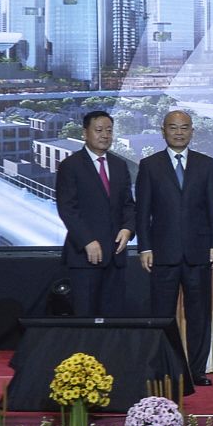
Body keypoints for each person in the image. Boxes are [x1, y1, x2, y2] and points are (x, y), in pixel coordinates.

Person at [135, 110, 213, 386]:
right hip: (163, 254)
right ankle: (164, 368)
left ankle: (196, 370)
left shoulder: (206, 164)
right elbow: (142, 212)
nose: (179, 132)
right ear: (163, 131)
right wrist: (145, 247)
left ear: (192, 131)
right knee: (161, 316)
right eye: (173, 128)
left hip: (198, 253)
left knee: (199, 316)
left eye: (185, 128)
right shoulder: (150, 165)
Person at [56, 110, 136, 317]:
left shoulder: (119, 165)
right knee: (85, 317)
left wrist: (128, 229)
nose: (105, 135)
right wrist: (87, 240)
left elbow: (128, 204)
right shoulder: (70, 166)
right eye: (99, 130)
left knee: (114, 318)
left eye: (109, 130)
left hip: (116, 256)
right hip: (85, 257)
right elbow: (67, 208)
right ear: (85, 133)